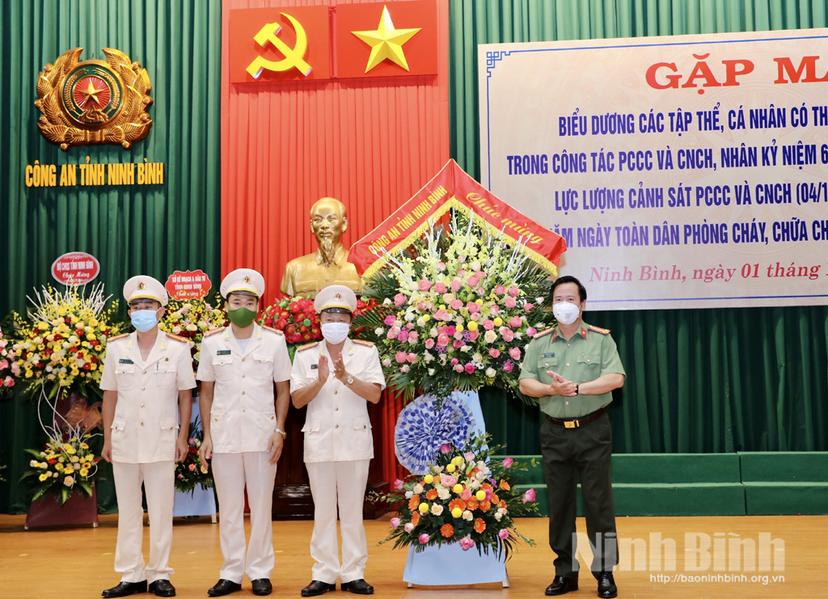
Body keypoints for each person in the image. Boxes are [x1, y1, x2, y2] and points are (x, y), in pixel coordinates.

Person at [518, 275, 626, 599]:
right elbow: (525, 383)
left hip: (593, 430)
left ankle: (604, 572)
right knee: (560, 504)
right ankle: (565, 571)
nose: (563, 305)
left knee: (598, 503)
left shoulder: (601, 340)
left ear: (582, 304)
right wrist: (550, 389)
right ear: (551, 305)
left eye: (570, 299)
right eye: (558, 300)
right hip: (554, 433)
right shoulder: (539, 343)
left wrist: (578, 388)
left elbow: (616, 378)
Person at [197, 268, 291, 597]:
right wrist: (207, 435)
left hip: (263, 436)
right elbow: (205, 392)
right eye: (236, 301)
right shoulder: (211, 342)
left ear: (258, 306)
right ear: (226, 306)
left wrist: (279, 429)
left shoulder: (274, 341)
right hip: (223, 436)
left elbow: (283, 390)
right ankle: (231, 572)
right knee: (230, 509)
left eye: (249, 302)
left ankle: (260, 571)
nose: (243, 307)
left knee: (262, 508)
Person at [100, 275, 196, 598]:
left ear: (161, 311)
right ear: (130, 312)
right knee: (128, 512)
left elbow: (185, 395)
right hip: (124, 439)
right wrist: (107, 438)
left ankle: (159, 574)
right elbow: (110, 395)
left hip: (161, 439)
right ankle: (131, 574)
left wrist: (183, 437)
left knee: (160, 511)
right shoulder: (116, 348)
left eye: (148, 305)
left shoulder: (178, 348)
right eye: (137, 306)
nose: (142, 310)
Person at [290, 285, 385, 596]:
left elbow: (374, 395)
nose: (335, 322)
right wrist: (319, 381)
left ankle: (354, 572)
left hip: (355, 442)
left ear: (350, 321)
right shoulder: (305, 354)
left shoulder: (366, 352)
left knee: (353, 510)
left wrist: (346, 377)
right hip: (319, 441)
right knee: (323, 512)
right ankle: (324, 573)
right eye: (329, 317)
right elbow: (297, 401)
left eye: (341, 317)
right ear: (320, 320)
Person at [280, 197, 363, 296]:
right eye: (318, 220)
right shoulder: (294, 268)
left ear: (344, 224)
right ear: (312, 226)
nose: (324, 225)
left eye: (331, 219)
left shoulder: (362, 267)